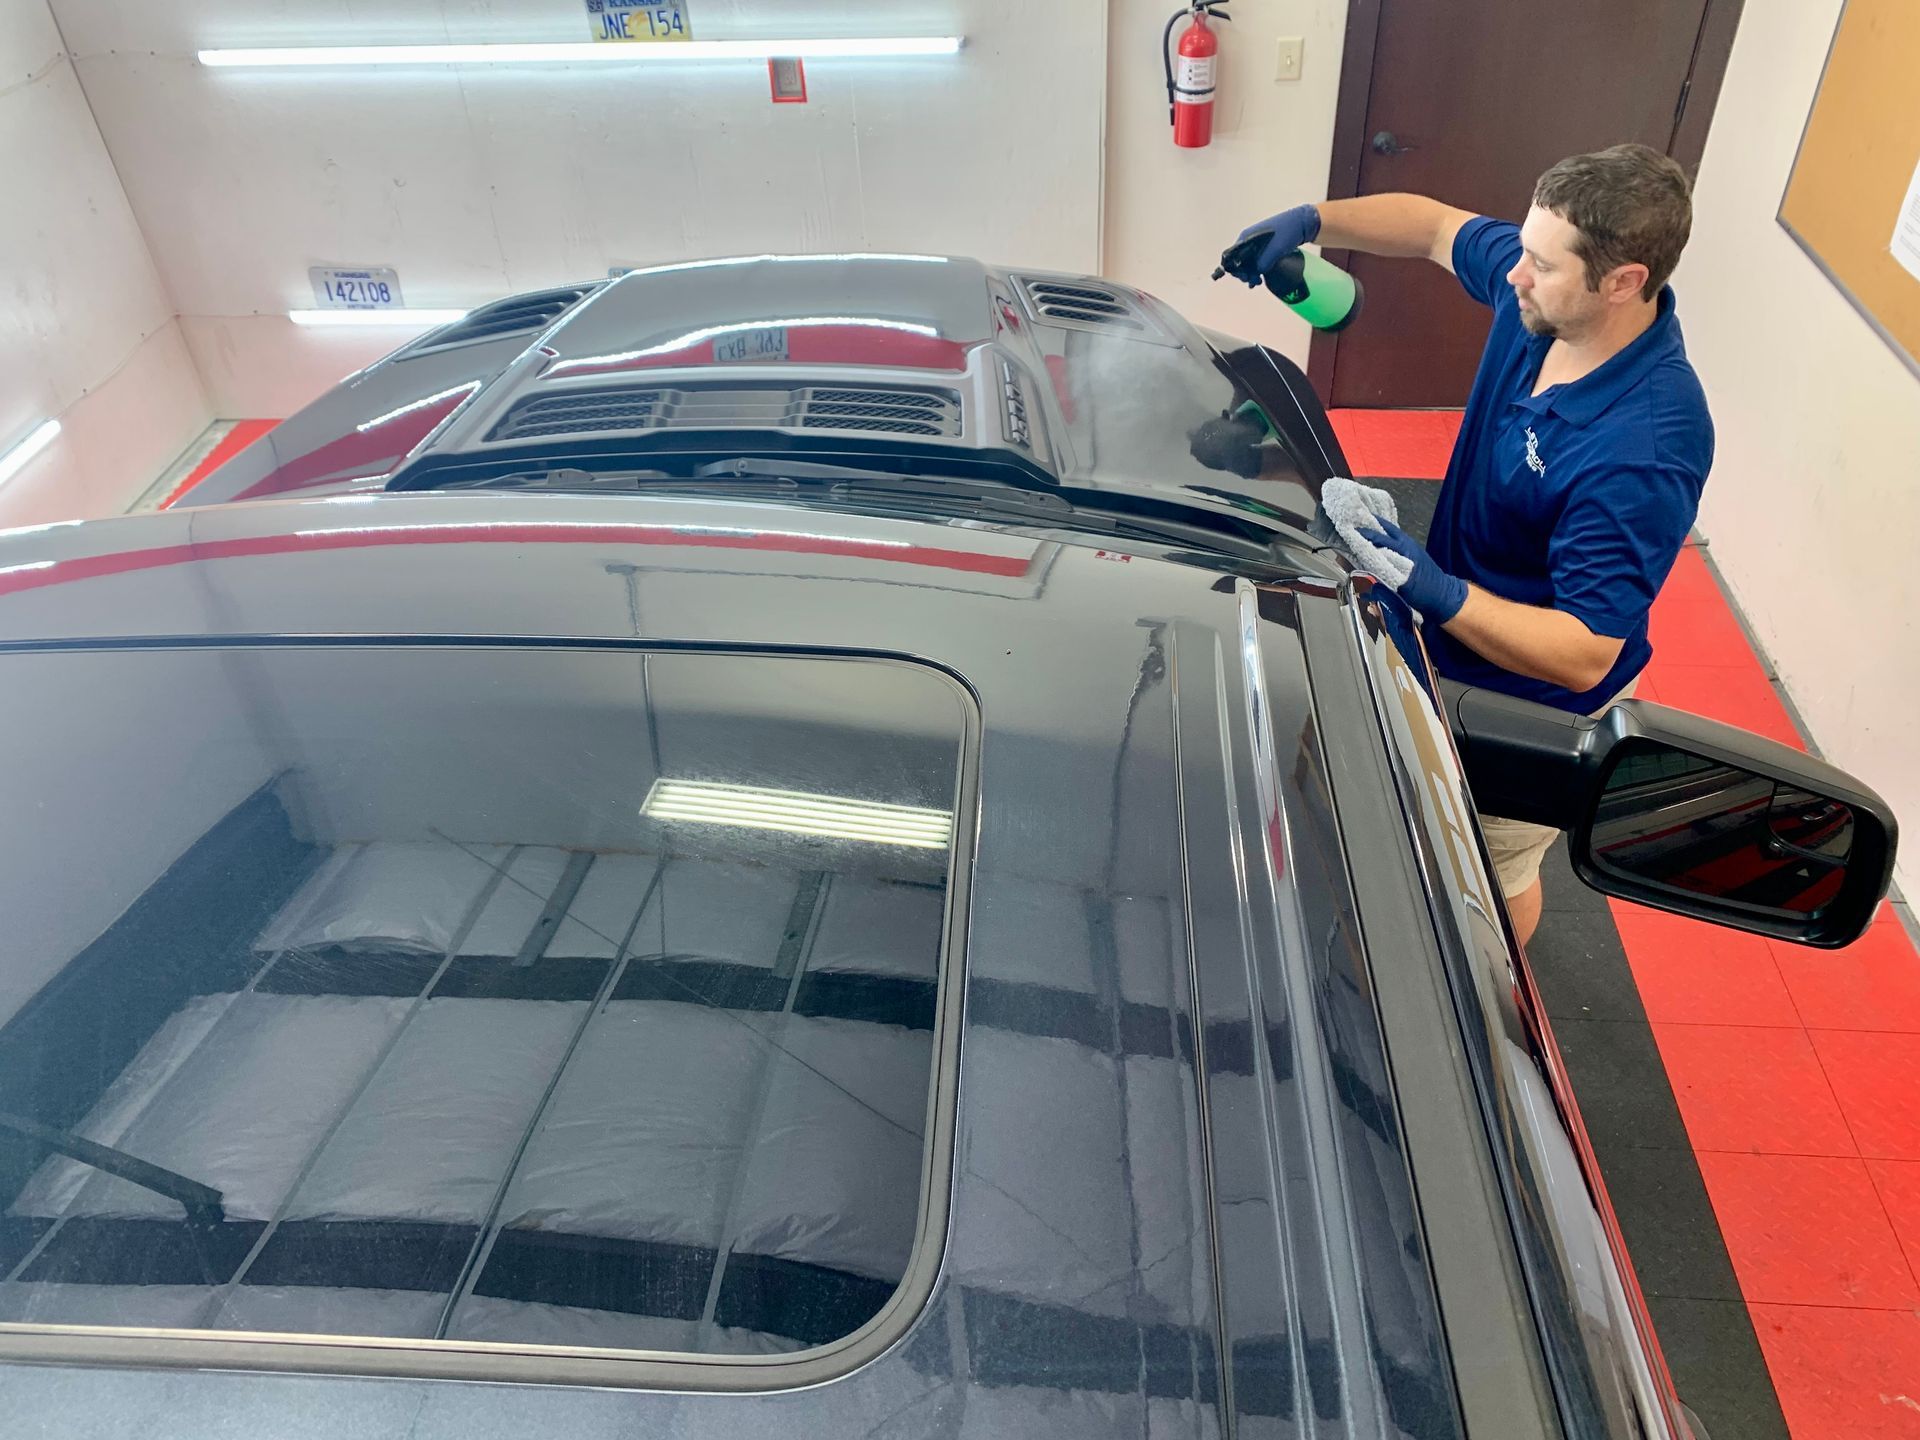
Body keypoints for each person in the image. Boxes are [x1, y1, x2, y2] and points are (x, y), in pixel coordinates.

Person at [1226, 144, 1713, 946]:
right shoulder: (1543, 302)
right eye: (1522, 250)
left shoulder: (1645, 444)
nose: (1516, 275)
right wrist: (1314, 221)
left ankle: (1491, 1001)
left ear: (1624, 281)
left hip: (1528, 701)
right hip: (1442, 635)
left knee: (1487, 867)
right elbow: (1433, 228)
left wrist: (1439, 590)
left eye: (1542, 264)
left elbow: (1589, 649)